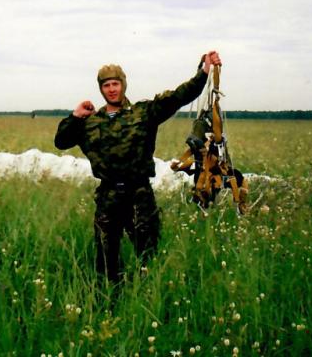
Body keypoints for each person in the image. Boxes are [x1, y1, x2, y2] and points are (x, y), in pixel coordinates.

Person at [54, 51, 222, 283]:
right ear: (101, 89)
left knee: (148, 256)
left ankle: (148, 296)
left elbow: (178, 98)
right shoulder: (91, 122)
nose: (111, 89)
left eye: (115, 84)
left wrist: (203, 72)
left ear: (123, 85)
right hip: (108, 196)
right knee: (105, 259)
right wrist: (75, 115)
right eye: (106, 85)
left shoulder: (144, 113)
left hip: (139, 195)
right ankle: (109, 300)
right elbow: (61, 142)